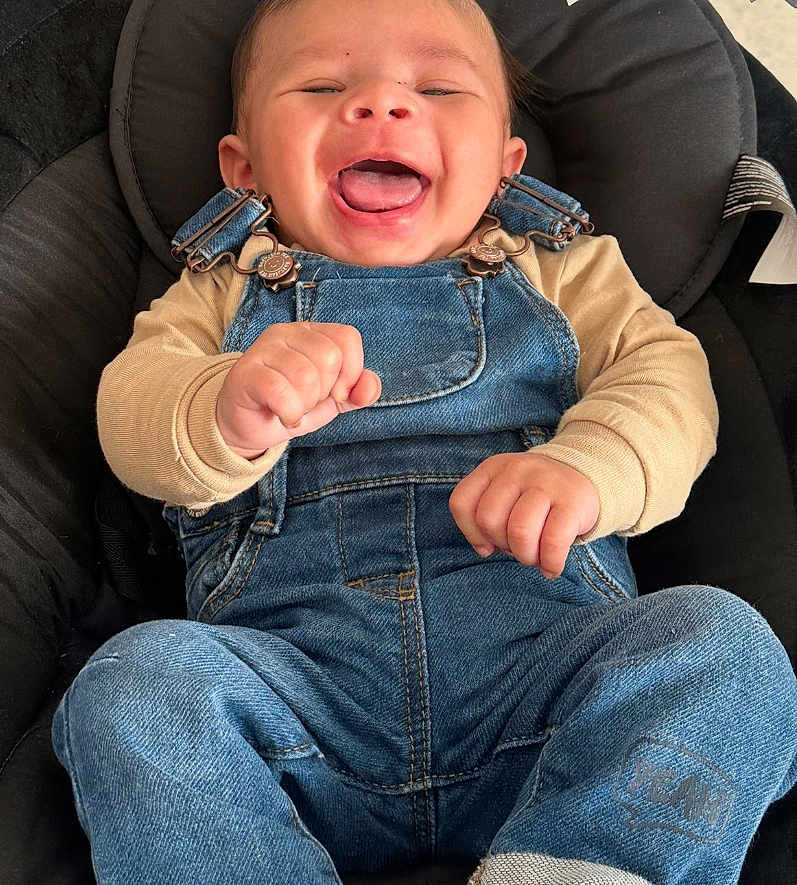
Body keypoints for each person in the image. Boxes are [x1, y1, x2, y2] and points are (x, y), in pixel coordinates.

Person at [52, 0, 797, 883]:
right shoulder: (215, 294)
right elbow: (130, 413)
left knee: (724, 647)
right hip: (297, 719)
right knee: (134, 685)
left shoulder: (564, 269)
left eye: (437, 87)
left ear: (504, 164)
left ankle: (579, 867)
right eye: (324, 84)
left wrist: (583, 466)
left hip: (551, 707)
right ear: (244, 169)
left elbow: (665, 379)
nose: (380, 104)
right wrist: (224, 404)